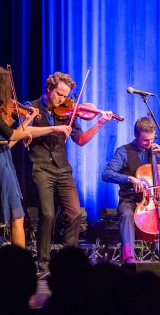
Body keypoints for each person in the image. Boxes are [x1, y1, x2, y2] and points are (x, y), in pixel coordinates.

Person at [0, 66, 70, 258]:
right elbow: (12, 134)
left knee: (17, 216)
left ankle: (18, 265)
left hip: (4, 161)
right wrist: (30, 130)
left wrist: (29, 117)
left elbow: (10, 142)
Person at [26, 72, 112, 273]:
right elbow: (25, 132)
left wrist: (98, 123)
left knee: (74, 213)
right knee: (47, 215)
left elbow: (80, 140)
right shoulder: (32, 107)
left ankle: (68, 262)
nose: (62, 99)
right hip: (41, 167)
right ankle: (43, 263)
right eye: (59, 94)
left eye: (65, 96)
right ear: (49, 89)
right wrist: (54, 129)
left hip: (63, 170)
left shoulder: (68, 111)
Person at [102, 116, 160, 264]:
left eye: (152, 139)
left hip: (158, 201)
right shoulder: (124, 152)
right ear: (136, 136)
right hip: (130, 199)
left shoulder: (158, 152)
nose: (149, 144)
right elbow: (106, 174)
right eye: (145, 140)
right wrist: (129, 179)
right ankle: (129, 259)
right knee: (127, 215)